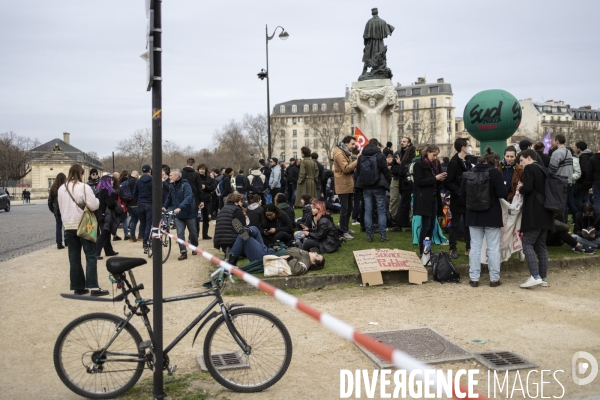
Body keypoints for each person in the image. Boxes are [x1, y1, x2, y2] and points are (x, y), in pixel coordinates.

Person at [459, 147, 508, 287]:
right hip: (492, 214)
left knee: (475, 247)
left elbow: (461, 194)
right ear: (494, 162)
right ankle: (494, 279)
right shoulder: (495, 174)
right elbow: (502, 193)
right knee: (493, 248)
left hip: (473, 214)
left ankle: (474, 278)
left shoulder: (469, 173)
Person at [57, 164, 108, 296]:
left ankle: (78, 286)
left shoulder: (62, 188)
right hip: (84, 224)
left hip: (68, 226)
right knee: (90, 256)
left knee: (74, 258)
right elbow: (93, 205)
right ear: (81, 173)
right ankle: (94, 287)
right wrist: (96, 200)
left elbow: (60, 207)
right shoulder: (84, 187)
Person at [518, 149, 555, 288]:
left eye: (521, 160)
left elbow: (527, 188)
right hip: (546, 211)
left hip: (534, 211)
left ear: (529, 158)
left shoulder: (530, 168)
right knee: (541, 245)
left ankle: (534, 276)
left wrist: (521, 188)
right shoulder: (543, 169)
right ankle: (543, 278)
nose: (521, 164)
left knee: (527, 243)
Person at [413, 144, 447, 257]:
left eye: (437, 155)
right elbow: (419, 182)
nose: (435, 157)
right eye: (434, 155)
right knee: (426, 226)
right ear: (427, 153)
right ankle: (423, 251)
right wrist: (435, 178)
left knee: (432, 226)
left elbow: (433, 182)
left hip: (433, 197)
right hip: (424, 199)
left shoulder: (434, 165)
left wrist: (440, 180)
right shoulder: (418, 165)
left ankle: (427, 250)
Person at [355, 138, 391, 242]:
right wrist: (387, 182)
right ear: (376, 145)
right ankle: (382, 235)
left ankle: (369, 235)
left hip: (366, 187)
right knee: (381, 211)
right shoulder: (380, 156)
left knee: (368, 211)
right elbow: (385, 171)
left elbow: (358, 172)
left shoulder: (361, 157)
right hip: (379, 186)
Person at [444, 138, 473, 259]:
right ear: (463, 147)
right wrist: (459, 192)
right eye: (468, 145)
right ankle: (452, 248)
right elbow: (448, 182)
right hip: (458, 198)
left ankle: (469, 247)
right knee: (455, 224)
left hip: (468, 198)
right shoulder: (454, 162)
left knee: (468, 224)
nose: (470, 147)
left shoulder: (467, 161)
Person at [163, 169, 198, 260]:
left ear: (177, 177)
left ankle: (194, 247)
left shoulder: (186, 185)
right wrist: (164, 207)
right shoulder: (171, 186)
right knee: (180, 233)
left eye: (171, 175)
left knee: (193, 233)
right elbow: (169, 198)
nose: (169, 177)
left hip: (189, 213)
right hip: (178, 216)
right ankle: (183, 252)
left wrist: (180, 207)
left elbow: (188, 198)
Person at [332, 136, 358, 239]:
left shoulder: (344, 152)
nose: (354, 146)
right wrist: (357, 161)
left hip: (347, 184)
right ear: (346, 143)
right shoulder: (339, 153)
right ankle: (343, 230)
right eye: (352, 144)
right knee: (344, 209)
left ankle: (345, 228)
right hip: (343, 185)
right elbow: (346, 169)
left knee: (348, 208)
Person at [361, 8, 394, 75]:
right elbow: (390, 29)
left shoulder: (369, 22)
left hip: (371, 44)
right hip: (380, 44)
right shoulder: (383, 22)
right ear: (377, 12)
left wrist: (365, 44)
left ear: (372, 13)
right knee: (382, 57)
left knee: (367, 56)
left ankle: (364, 71)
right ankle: (380, 71)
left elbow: (365, 36)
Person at [94, 176, 120, 260]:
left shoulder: (99, 192)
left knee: (106, 232)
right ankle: (96, 252)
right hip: (107, 215)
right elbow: (110, 204)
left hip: (100, 214)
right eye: (111, 181)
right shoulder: (109, 192)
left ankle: (108, 251)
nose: (112, 182)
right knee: (105, 233)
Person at [393, 145, 416, 231]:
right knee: (413, 206)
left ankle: (399, 224)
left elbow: (401, 174)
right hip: (412, 186)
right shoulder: (414, 163)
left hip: (405, 186)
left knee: (403, 205)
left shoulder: (404, 162)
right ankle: (411, 224)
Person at [133, 164, 153, 253]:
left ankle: (142, 238)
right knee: (149, 223)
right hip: (150, 203)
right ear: (150, 171)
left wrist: (138, 200)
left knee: (142, 222)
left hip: (140, 203)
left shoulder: (138, 181)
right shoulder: (153, 180)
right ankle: (145, 241)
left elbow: (134, 193)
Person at [48, 172, 67, 249]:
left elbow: (50, 201)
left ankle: (59, 243)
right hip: (65, 209)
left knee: (58, 227)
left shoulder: (53, 188)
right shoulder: (66, 187)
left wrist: (53, 210)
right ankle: (67, 241)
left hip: (57, 210)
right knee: (66, 227)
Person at [198, 164, 216, 240]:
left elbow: (213, 188)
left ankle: (205, 234)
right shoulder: (196, 177)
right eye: (200, 169)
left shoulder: (209, 179)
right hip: (197, 200)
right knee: (196, 219)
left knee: (206, 218)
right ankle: (194, 235)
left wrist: (205, 187)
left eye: (203, 169)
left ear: (205, 170)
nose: (201, 170)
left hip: (207, 200)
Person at [574, 141, 593, 209]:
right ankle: (588, 212)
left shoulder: (583, 157)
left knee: (577, 199)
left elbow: (584, 170)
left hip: (583, 181)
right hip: (588, 181)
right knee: (586, 198)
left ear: (579, 148)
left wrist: (579, 179)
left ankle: (582, 212)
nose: (576, 149)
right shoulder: (590, 155)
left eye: (576, 147)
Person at [125, 171, 140, 242]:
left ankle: (132, 236)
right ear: (136, 175)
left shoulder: (126, 182)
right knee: (142, 221)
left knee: (133, 220)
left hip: (129, 203)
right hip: (136, 202)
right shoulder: (137, 181)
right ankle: (140, 236)